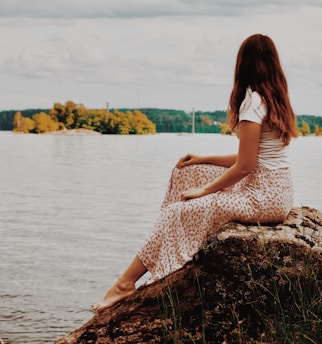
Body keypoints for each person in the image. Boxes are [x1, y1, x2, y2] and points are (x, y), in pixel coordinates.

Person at [92, 33, 298, 312]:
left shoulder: (254, 104)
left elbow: (246, 166)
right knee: (186, 172)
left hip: (262, 196)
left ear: (244, 65)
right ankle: (163, 240)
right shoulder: (270, 99)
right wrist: (204, 159)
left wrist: (205, 192)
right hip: (272, 190)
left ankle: (126, 282)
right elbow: (249, 159)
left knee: (177, 212)